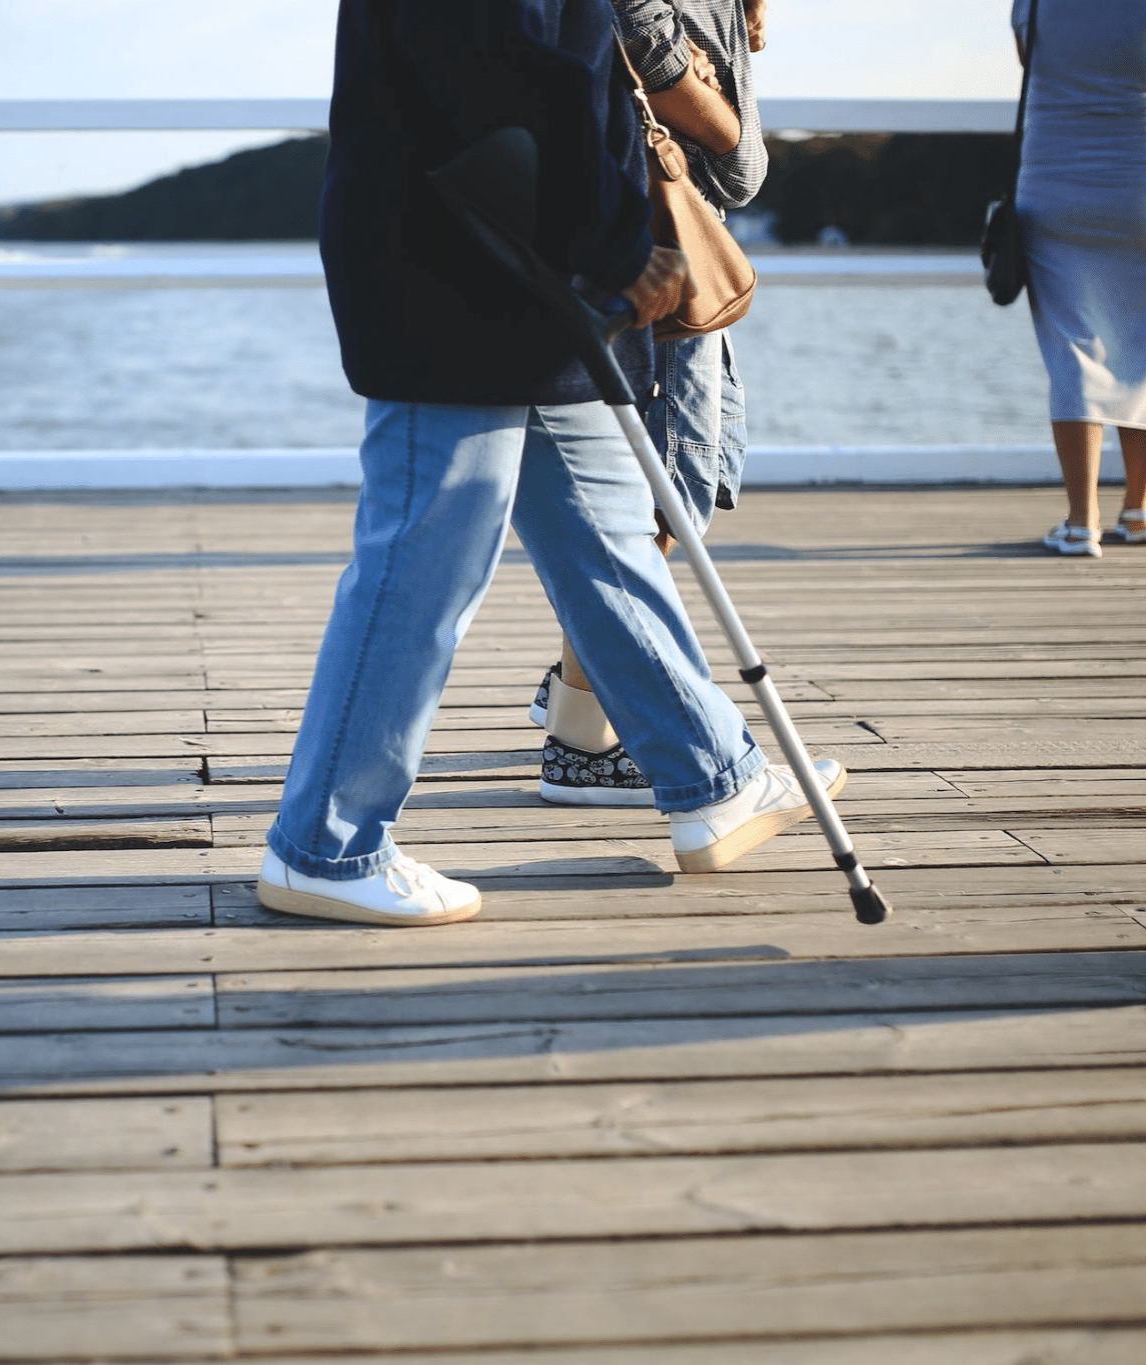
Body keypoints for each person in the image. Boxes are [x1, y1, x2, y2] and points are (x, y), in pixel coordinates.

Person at [257, 0, 844, 928]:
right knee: (422, 557)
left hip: (509, 265)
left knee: (603, 525)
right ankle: (325, 845)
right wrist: (613, 244)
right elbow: (509, 71)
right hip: (462, 269)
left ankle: (712, 777)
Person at [535, 0, 771, 806]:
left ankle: (582, 688)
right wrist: (731, 135)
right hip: (659, 228)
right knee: (656, 501)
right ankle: (581, 739)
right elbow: (632, 23)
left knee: (681, 481)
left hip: (676, 224)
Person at [1015, 0, 1146, 557]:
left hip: (1056, 182)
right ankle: (1141, 509)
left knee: (1073, 347)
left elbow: (1035, 66)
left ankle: (1080, 521)